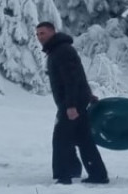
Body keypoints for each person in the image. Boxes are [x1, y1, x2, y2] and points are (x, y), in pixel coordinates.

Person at [36, 22, 108, 185]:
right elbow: (78, 74)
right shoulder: (59, 50)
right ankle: (98, 174)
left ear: (53, 32)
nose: (40, 37)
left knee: (61, 138)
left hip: (71, 103)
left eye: (43, 33)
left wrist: (70, 106)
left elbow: (71, 79)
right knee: (83, 138)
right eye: (38, 34)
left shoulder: (62, 51)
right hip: (76, 100)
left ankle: (64, 176)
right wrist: (88, 95)